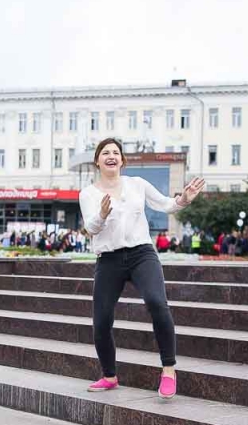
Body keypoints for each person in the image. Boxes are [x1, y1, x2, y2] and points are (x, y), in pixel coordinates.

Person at [78, 137, 206, 398]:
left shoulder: (137, 184)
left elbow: (165, 204)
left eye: (116, 152)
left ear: (122, 160)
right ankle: (109, 375)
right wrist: (101, 214)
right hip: (109, 259)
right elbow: (90, 228)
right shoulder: (88, 193)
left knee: (157, 302)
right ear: (97, 161)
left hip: (141, 254)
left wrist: (184, 199)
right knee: (101, 320)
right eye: (105, 153)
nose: (111, 156)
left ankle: (169, 370)